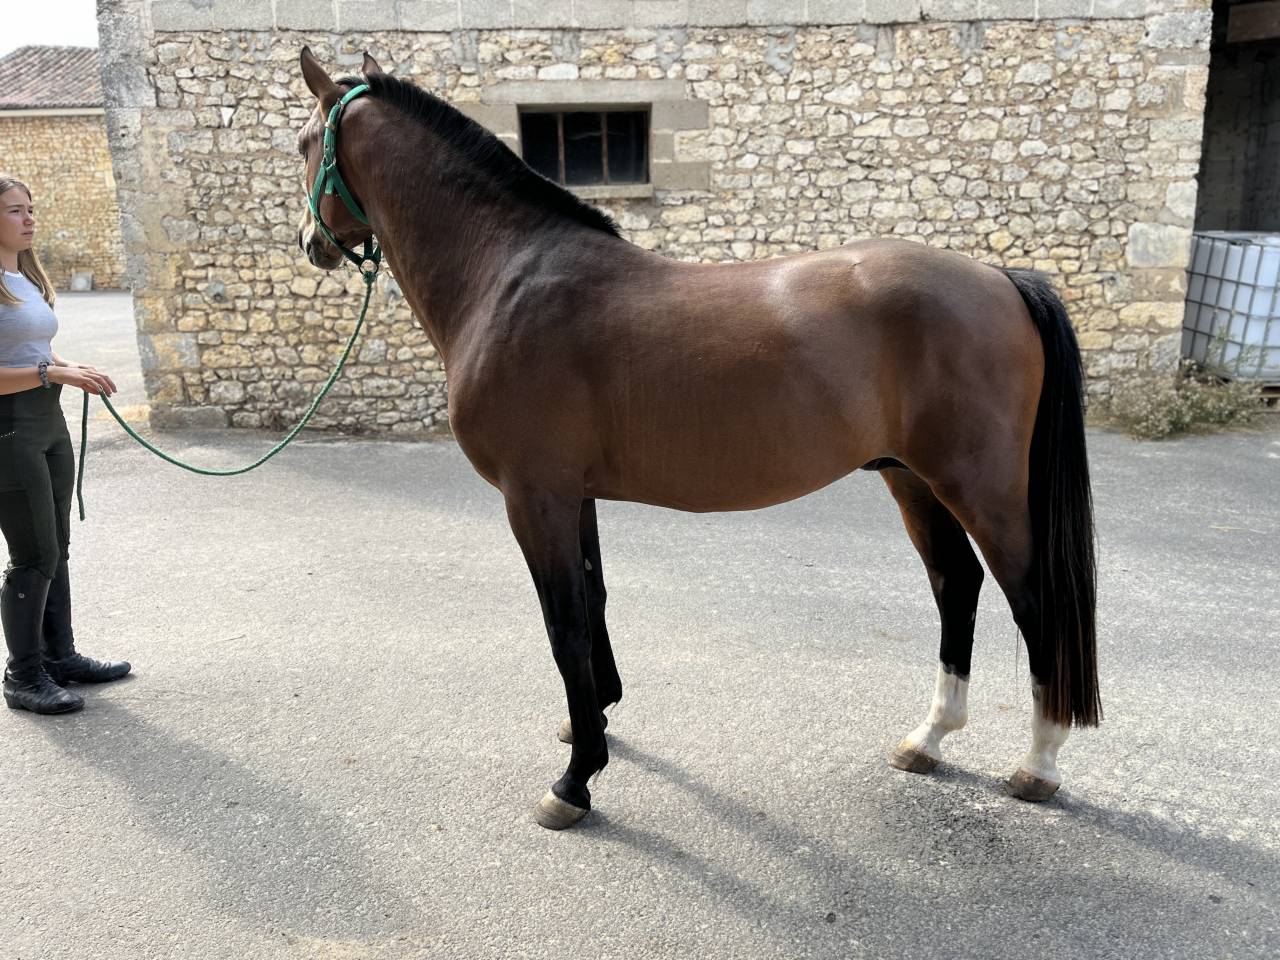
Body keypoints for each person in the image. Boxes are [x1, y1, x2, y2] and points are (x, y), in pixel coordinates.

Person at [0, 175, 130, 714]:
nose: (29, 219)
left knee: (57, 544)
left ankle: (61, 657)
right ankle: (22, 677)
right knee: (35, 553)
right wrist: (52, 372)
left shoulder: (24, 277)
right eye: (15, 211)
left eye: (30, 209)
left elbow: (33, 349)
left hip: (47, 421)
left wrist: (68, 367)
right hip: (9, 427)